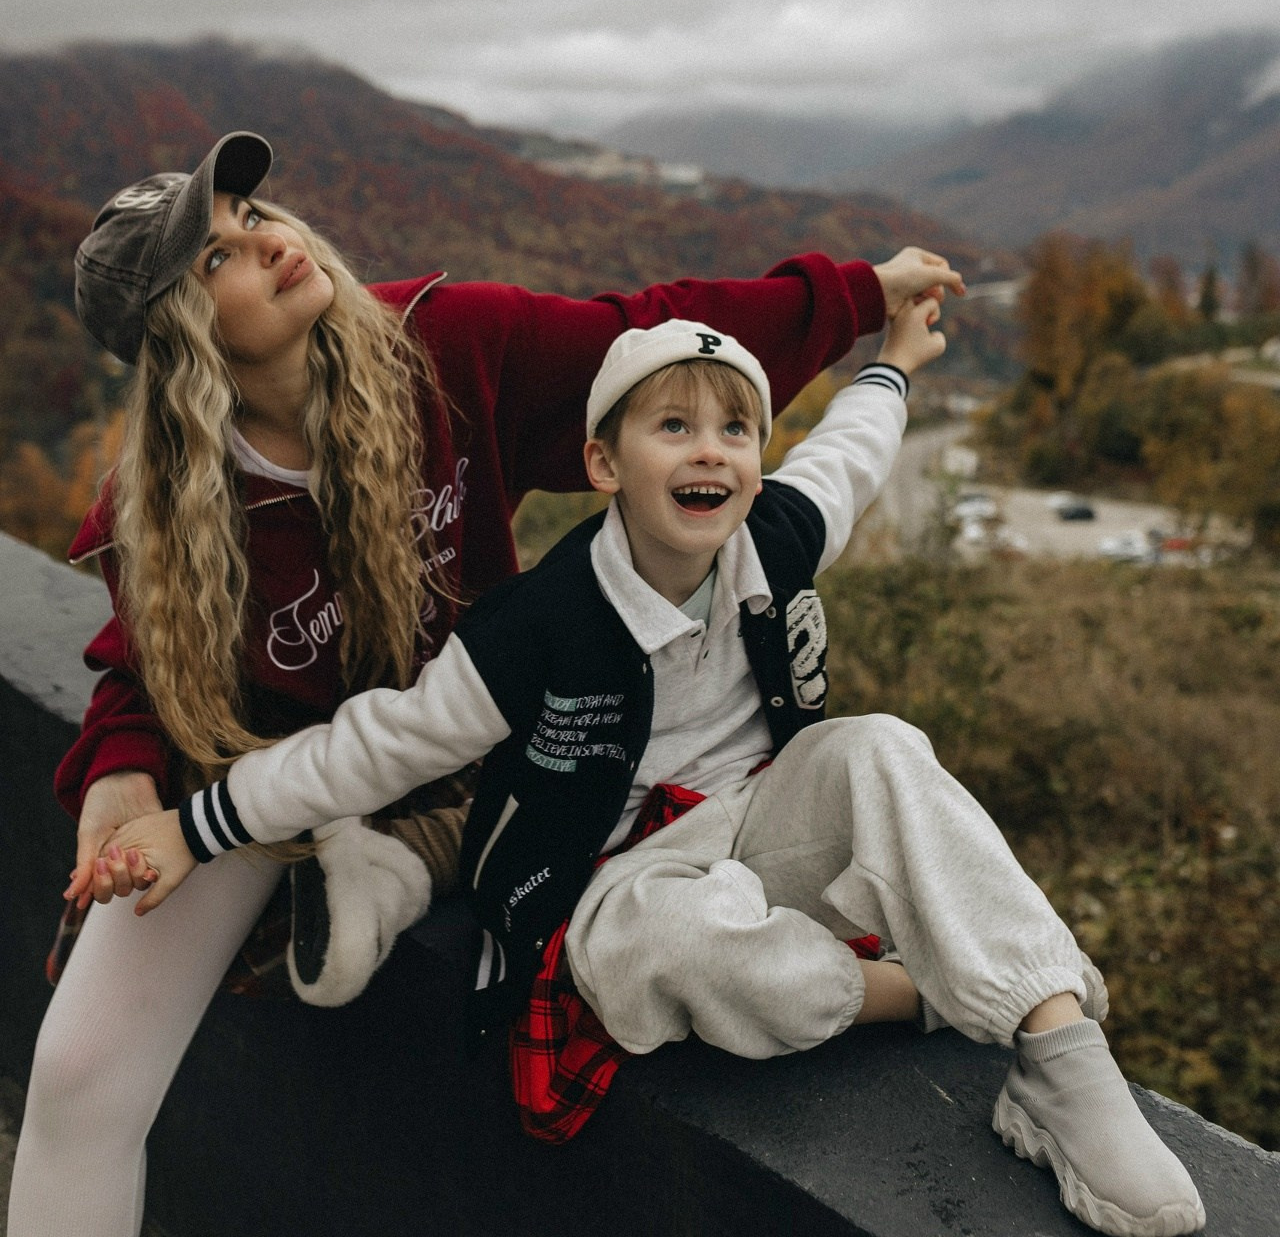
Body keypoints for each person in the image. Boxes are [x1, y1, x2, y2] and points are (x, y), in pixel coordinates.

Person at [9, 127, 960, 1237]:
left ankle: (387, 864)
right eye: (216, 256)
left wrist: (854, 298)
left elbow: (642, 333)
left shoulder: (441, 347)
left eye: (255, 216)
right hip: (258, 783)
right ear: (177, 337)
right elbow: (140, 654)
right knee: (78, 1077)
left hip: (453, 754)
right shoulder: (162, 497)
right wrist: (120, 781)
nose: (267, 242)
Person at [110, 310, 1204, 1237]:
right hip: (621, 874)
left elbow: (853, 453)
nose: (710, 453)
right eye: (671, 426)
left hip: (767, 818)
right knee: (658, 956)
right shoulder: (541, 625)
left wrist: (895, 362)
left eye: (734, 429)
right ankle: (913, 991)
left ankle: (1059, 1055)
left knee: (879, 746)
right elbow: (375, 743)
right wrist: (193, 830)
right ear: (603, 463)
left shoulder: (775, 534)